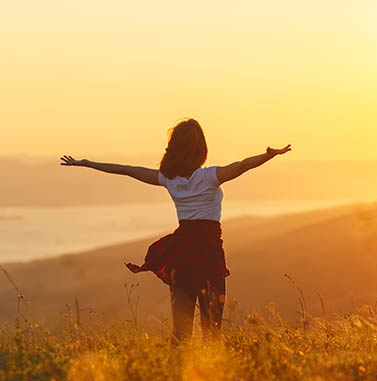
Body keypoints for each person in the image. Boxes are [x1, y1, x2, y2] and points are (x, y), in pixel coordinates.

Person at [60, 118, 291, 343]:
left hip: (182, 257)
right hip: (209, 256)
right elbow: (242, 166)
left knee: (181, 334)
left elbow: (128, 170)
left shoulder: (168, 179)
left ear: (174, 150)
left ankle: (174, 376)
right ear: (200, 149)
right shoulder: (209, 177)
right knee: (212, 332)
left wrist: (88, 163)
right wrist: (269, 156)